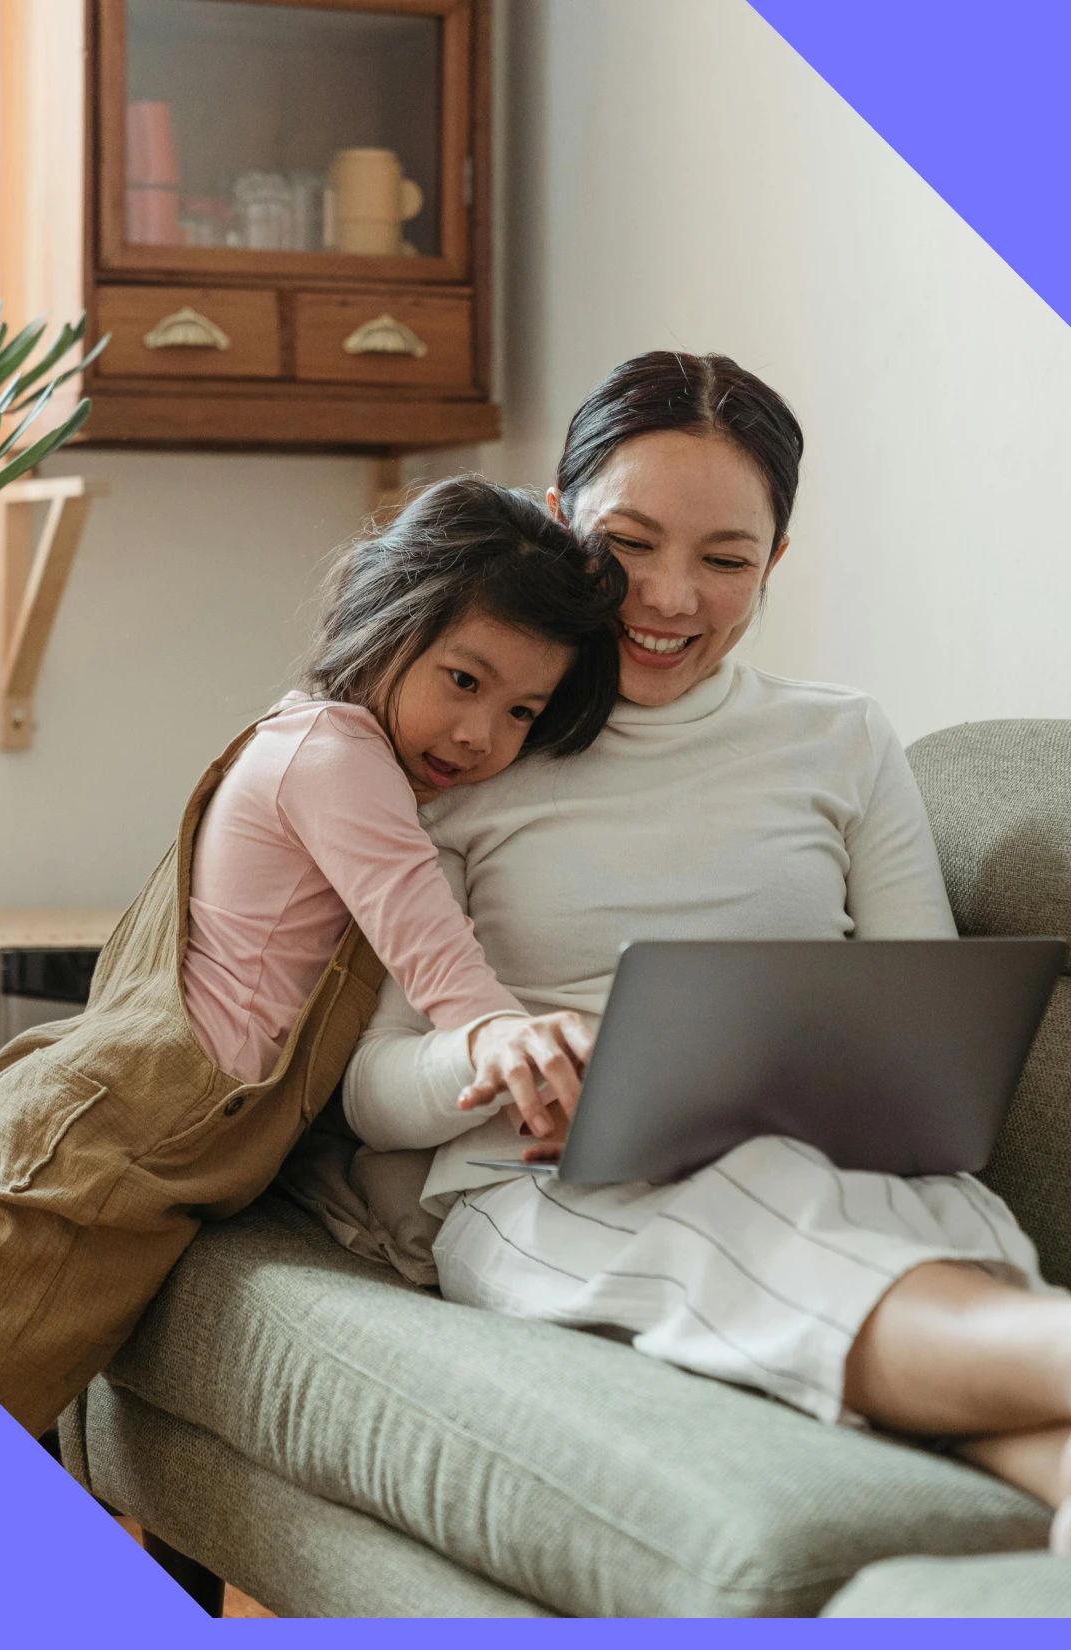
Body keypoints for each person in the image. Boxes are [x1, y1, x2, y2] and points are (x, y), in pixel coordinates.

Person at [343, 353, 1071, 1550]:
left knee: (858, 1211)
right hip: (551, 1188)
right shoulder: (471, 744)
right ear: (556, 516)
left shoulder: (839, 739)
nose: (667, 598)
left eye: (724, 561)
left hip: (843, 1165)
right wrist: (496, 1050)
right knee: (761, 1207)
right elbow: (372, 1092)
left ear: (772, 563)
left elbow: (932, 1029)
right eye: (627, 544)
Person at [0, 479, 623, 1436]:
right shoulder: (335, 757)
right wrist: (501, 1036)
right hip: (101, 1158)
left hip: (138, 1156)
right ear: (389, 619)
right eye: (464, 680)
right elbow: (429, 941)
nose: (482, 734)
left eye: (524, 712)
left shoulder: (331, 746)